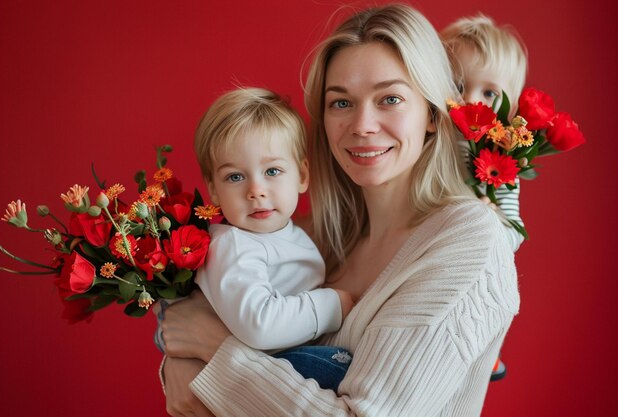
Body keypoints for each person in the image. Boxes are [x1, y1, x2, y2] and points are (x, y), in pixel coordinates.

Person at [159, 4, 520, 416]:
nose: (362, 124)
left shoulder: (467, 241)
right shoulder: (309, 238)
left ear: (433, 115)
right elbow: (192, 332)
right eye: (341, 103)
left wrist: (213, 353)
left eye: (390, 98)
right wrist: (182, 361)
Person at [156, 87, 354, 392]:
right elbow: (259, 325)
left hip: (272, 359)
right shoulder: (235, 246)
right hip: (262, 364)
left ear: (302, 176)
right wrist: (330, 305)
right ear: (213, 190)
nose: (255, 190)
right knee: (345, 369)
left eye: (272, 171)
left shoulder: (286, 235)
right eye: (235, 177)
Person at [441, 15, 529, 380]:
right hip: (430, 250)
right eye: (458, 84)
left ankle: (486, 349)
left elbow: (515, 232)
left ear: (508, 108)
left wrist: (491, 222)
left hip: (473, 261)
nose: (470, 100)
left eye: (489, 93)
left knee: (497, 291)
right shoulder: (430, 142)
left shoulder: (502, 161)